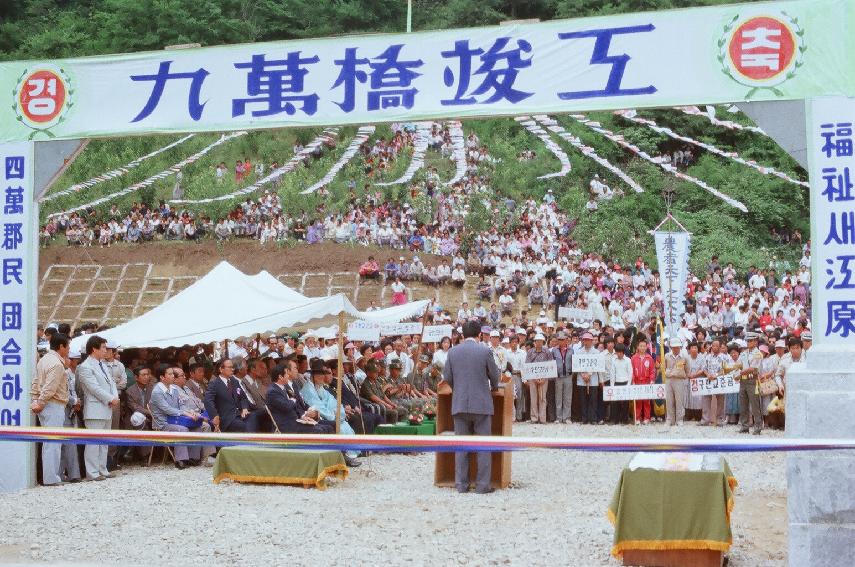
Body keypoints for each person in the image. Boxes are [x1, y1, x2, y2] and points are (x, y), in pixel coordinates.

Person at [440, 320, 500, 494]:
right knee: (483, 446)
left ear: (462, 335)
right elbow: (494, 375)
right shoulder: (485, 350)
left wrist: (458, 389)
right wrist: (494, 387)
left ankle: (461, 484)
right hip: (481, 404)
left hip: (459, 403)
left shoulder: (452, 352)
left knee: (461, 446)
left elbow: (448, 377)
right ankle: (482, 486)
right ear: (479, 334)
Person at [77, 335, 120, 481]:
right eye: (103, 347)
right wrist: (110, 398)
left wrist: (115, 397)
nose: (105, 350)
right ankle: (92, 472)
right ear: (94, 348)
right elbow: (93, 388)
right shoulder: (85, 366)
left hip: (107, 407)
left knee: (104, 441)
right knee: (93, 443)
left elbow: (111, 383)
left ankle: (103, 468)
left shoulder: (103, 364)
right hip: (95, 408)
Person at [30, 333, 70, 486]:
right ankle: (51, 478)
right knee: (53, 442)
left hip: (46, 404)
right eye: (68, 346)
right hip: (53, 404)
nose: (68, 349)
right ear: (61, 347)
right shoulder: (57, 364)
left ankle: (51, 476)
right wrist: (40, 401)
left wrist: (36, 400)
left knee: (49, 442)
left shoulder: (44, 360)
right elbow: (50, 387)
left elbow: (36, 382)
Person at [149, 364, 204, 469]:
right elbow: (167, 409)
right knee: (182, 429)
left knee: (197, 427)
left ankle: (193, 458)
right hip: (163, 423)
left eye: (172, 374)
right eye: (169, 374)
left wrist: (191, 412)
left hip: (176, 420)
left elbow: (181, 404)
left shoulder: (174, 388)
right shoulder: (157, 391)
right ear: (162, 377)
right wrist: (184, 413)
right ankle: (181, 460)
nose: (173, 376)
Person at [266, 360, 333, 434]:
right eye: (286, 374)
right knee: (320, 430)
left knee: (328, 427)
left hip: (296, 421)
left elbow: (293, 405)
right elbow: (286, 406)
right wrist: (293, 400)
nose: (288, 376)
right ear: (280, 377)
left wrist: (304, 416)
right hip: (287, 426)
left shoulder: (282, 388)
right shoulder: (273, 391)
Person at [203, 359, 262, 432]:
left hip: (240, 414)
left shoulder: (234, 381)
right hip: (227, 418)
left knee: (254, 416)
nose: (233, 369)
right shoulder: (214, 384)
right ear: (221, 369)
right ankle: (251, 441)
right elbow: (208, 401)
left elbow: (243, 397)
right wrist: (214, 416)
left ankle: (252, 440)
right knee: (244, 426)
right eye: (230, 367)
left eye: (233, 367)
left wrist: (244, 408)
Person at [738, 332, 764, 435]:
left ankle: (758, 426)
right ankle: (744, 426)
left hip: (752, 380)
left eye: (750, 341)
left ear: (755, 341)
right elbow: (738, 364)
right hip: (743, 380)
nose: (748, 343)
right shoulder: (744, 353)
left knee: (755, 405)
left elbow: (753, 368)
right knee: (743, 404)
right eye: (747, 341)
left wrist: (739, 373)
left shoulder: (758, 353)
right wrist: (737, 373)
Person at [575, 332, 602, 424]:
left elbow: (597, 365)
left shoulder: (597, 352)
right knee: (583, 400)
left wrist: (589, 374)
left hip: (593, 379)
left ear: (591, 341)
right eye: (584, 340)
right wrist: (583, 374)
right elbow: (576, 365)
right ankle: (584, 418)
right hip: (581, 379)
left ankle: (593, 419)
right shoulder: (578, 352)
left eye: (588, 340)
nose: (586, 342)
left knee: (593, 400)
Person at [525, 334, 552, 424]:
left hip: (544, 378)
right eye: (537, 341)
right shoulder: (530, 352)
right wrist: (533, 377)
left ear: (543, 342)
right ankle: (534, 418)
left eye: (540, 341)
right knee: (533, 397)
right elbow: (527, 365)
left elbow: (550, 365)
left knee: (543, 397)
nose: (539, 343)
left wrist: (544, 378)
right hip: (533, 378)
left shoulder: (547, 352)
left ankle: (542, 418)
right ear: (534, 342)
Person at [663, 339, 688, 427]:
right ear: (671, 347)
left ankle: (679, 420)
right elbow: (664, 367)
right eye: (674, 347)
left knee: (679, 400)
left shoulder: (684, 356)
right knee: (669, 400)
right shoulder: (666, 356)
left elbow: (687, 369)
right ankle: (670, 419)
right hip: (669, 380)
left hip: (679, 380)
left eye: (677, 347)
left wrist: (683, 376)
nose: (676, 349)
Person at [631, 338, 655, 425]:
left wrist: (652, 380)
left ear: (646, 347)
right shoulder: (633, 358)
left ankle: (647, 418)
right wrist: (632, 380)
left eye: (644, 346)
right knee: (638, 400)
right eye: (640, 346)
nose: (642, 348)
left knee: (646, 401)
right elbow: (632, 370)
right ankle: (637, 418)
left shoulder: (649, 358)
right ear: (637, 347)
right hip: (637, 381)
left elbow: (652, 371)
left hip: (646, 381)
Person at [551, 331, 573, 423]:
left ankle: (567, 417)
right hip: (558, 376)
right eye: (559, 340)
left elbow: (574, 362)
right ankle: (559, 418)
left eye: (562, 340)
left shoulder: (571, 350)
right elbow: (551, 363)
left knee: (567, 397)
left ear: (566, 340)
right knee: (558, 397)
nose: (560, 341)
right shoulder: (554, 350)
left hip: (568, 376)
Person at [607, 344, 632, 424]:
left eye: (621, 352)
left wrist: (628, 384)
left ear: (623, 352)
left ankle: (624, 419)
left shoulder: (628, 360)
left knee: (625, 403)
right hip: (616, 383)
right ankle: (615, 420)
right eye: (617, 352)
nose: (619, 354)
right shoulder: (614, 360)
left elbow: (630, 373)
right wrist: (612, 386)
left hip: (625, 382)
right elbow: (612, 373)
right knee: (614, 402)